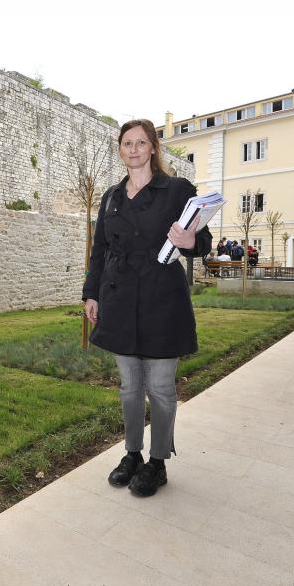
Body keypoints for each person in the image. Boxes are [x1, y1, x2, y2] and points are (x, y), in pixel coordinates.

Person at [82, 119, 212, 498]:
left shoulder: (177, 190)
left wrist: (190, 240)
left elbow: (203, 239)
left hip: (162, 301)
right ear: (120, 150)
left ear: (153, 148)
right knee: (128, 388)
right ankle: (132, 455)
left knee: (160, 389)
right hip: (119, 300)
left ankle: (157, 463)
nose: (134, 149)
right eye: (127, 143)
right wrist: (91, 293)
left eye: (141, 142)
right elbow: (100, 250)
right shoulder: (110, 197)